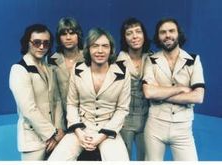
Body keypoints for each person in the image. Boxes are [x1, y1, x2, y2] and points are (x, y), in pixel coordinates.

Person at [48, 27, 130, 161]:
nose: (100, 51)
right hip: (81, 128)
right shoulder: (78, 69)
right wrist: (79, 132)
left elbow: (122, 109)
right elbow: (72, 104)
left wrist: (101, 136)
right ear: (88, 49)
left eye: (105, 46)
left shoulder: (122, 72)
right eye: (95, 46)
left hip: (107, 130)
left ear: (111, 49)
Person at [142, 18, 205, 161]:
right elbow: (148, 92)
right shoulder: (151, 60)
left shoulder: (193, 60)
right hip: (155, 126)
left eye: (171, 31)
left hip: (183, 128)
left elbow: (198, 97)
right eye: (162, 32)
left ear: (178, 34)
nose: (167, 35)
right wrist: (180, 88)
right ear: (158, 37)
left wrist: (160, 93)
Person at [47, 17, 101, 160]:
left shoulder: (89, 57)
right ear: (59, 37)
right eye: (64, 34)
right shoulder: (52, 60)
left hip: (87, 117)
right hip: (62, 117)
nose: (68, 37)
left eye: (72, 33)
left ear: (79, 35)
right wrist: (59, 127)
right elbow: (54, 97)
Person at [9, 24, 65, 160]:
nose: (41, 47)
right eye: (37, 42)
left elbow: (57, 101)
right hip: (33, 140)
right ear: (27, 43)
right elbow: (28, 109)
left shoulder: (49, 68)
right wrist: (51, 134)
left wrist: (59, 131)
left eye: (46, 43)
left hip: (55, 138)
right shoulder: (19, 70)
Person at [117, 17, 151, 160]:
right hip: (125, 121)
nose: (135, 36)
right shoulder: (116, 62)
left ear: (144, 35)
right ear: (124, 38)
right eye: (129, 33)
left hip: (148, 119)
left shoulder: (153, 58)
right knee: (124, 158)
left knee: (146, 158)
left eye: (138, 31)